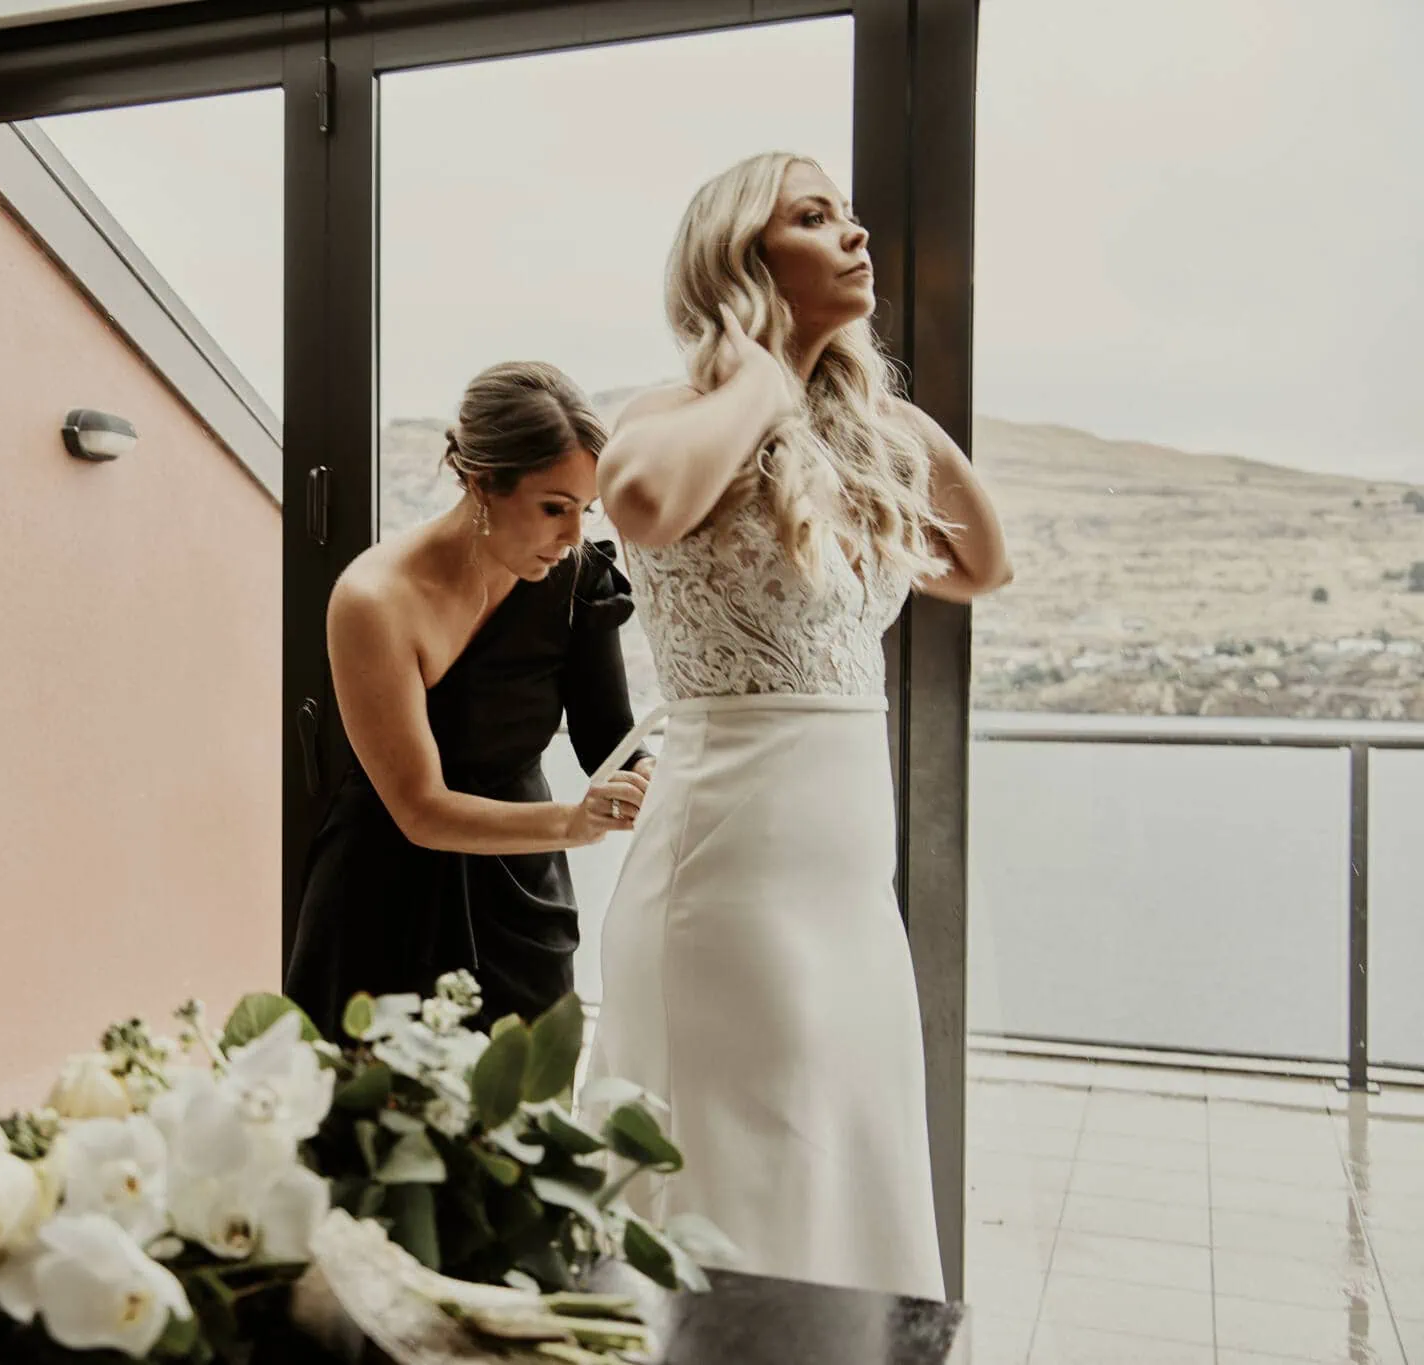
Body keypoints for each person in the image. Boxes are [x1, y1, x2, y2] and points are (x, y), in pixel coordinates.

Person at [580, 153, 1012, 1301]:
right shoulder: (680, 413)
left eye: (851, 216)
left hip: (843, 888)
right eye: (814, 218)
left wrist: (889, 420)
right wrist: (765, 382)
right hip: (727, 875)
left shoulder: (861, 437)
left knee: (841, 1147)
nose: (855, 236)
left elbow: (980, 563)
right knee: (745, 1168)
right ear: (741, 259)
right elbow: (641, 503)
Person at [285, 362, 656, 1041]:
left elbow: (613, 742)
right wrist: (572, 824)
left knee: (527, 1125)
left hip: (522, 905)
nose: (574, 535)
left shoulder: (575, 579)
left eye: (586, 509)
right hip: (382, 900)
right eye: (554, 507)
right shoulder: (374, 601)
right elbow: (419, 808)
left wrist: (645, 777)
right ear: (483, 482)